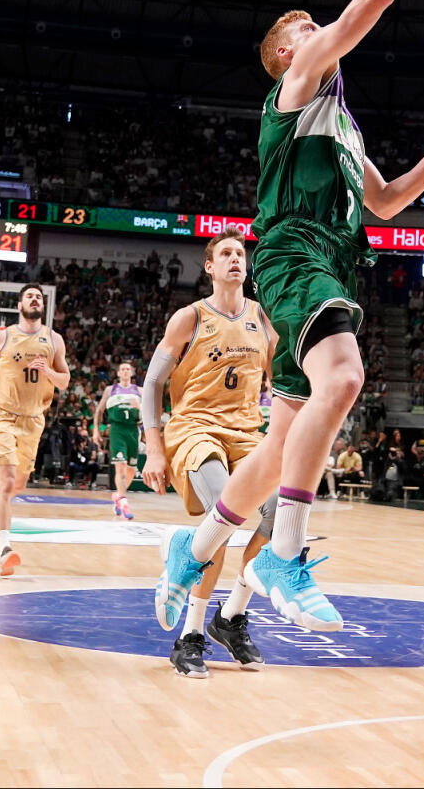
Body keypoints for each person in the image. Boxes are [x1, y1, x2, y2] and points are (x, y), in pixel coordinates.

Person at [151, 0, 424, 634]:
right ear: (285, 59)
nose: (316, 30)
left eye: (312, 25)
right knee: (344, 378)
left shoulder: (342, 124)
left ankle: (193, 548)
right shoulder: (294, 89)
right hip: (293, 251)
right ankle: (282, 555)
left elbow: (386, 202)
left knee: (283, 440)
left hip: (333, 255)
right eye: (303, 29)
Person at [141, 227, 280, 677]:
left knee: (280, 514)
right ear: (210, 266)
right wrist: (154, 449)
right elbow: (153, 384)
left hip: (246, 436)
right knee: (227, 514)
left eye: (241, 253)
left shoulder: (264, 319)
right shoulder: (190, 317)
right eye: (226, 252)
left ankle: (232, 616)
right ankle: (190, 635)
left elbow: (281, 386)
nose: (236, 258)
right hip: (195, 429)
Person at [0, 283, 70, 575]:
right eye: (29, 296)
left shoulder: (54, 339)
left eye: (38, 297)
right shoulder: (4, 336)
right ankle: (4, 547)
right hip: (3, 416)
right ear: (20, 304)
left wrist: (48, 371)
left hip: (34, 420)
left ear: (42, 306)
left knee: (17, 486)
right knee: (7, 482)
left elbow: (65, 380)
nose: (34, 300)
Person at [93, 361, 142, 520]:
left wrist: (140, 408)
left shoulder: (139, 391)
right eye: (122, 369)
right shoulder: (110, 390)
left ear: (132, 373)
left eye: (128, 369)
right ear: (118, 373)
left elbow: (149, 413)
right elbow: (99, 411)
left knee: (131, 471)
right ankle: (124, 501)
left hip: (133, 430)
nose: (125, 371)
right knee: (119, 467)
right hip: (117, 430)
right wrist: (97, 430)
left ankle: (118, 496)